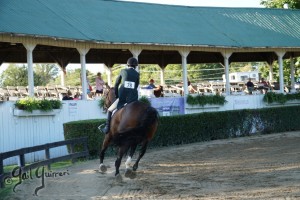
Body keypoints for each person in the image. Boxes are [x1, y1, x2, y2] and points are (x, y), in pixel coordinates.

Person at [100, 57, 140, 134]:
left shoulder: (123, 71)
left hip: (123, 97)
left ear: (128, 64)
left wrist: (118, 95)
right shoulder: (137, 74)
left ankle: (107, 128)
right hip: (133, 98)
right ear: (135, 66)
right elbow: (136, 86)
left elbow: (116, 84)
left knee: (109, 110)